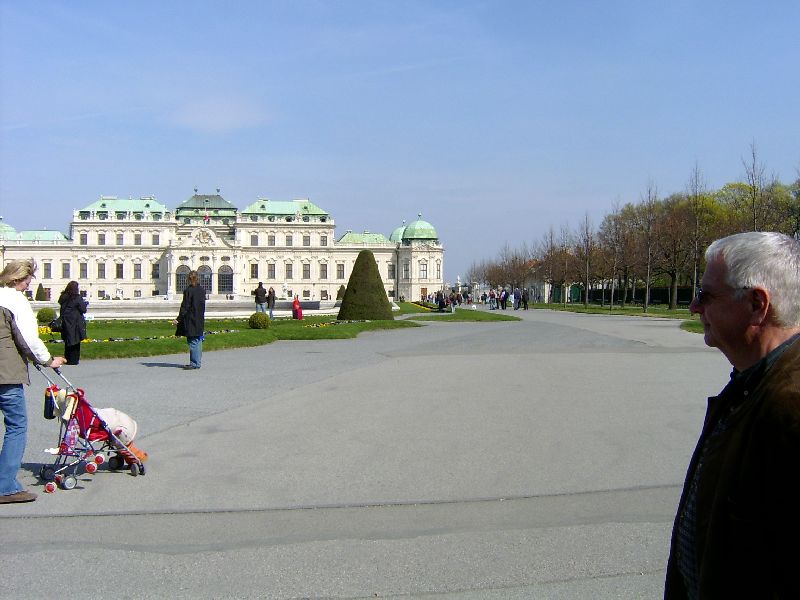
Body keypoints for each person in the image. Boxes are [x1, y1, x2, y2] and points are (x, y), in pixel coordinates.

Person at [665, 232, 800, 599]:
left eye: (706, 296)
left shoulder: (790, 406)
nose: (694, 307)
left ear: (757, 304)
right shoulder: (752, 382)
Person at [0, 259, 66, 504]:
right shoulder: (15, 300)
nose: (29, 285)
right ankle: (5, 486)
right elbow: (28, 339)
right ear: (18, 279)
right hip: (5, 374)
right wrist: (49, 360)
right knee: (16, 426)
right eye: (28, 280)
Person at [173, 270, 205, 370]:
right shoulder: (202, 290)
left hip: (191, 318)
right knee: (198, 340)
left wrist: (178, 319)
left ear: (188, 279)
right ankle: (196, 362)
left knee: (192, 340)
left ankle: (195, 363)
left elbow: (185, 306)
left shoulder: (188, 291)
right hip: (199, 318)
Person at [58, 280, 88, 365]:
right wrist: (85, 304)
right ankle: (74, 360)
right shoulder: (77, 297)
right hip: (75, 322)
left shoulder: (63, 297)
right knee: (75, 341)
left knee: (68, 340)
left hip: (66, 321)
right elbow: (83, 310)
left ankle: (67, 358)